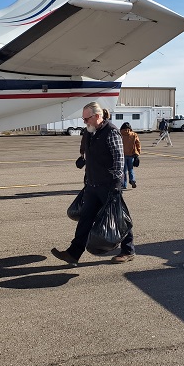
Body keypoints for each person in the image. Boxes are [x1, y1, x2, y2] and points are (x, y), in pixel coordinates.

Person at [53, 102, 135, 265]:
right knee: (85, 219)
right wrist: (83, 163)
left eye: (86, 118)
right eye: (83, 119)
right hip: (92, 185)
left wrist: (116, 184)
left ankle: (128, 250)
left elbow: (119, 160)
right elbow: (92, 154)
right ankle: (73, 253)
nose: (84, 122)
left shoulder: (111, 132)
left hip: (108, 185)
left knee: (118, 217)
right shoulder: (90, 132)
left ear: (97, 116)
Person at [120, 122, 141, 189]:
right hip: (131, 155)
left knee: (124, 171)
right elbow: (138, 144)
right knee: (131, 169)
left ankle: (124, 185)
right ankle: (132, 180)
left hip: (123, 155)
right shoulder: (134, 134)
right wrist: (138, 152)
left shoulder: (120, 134)